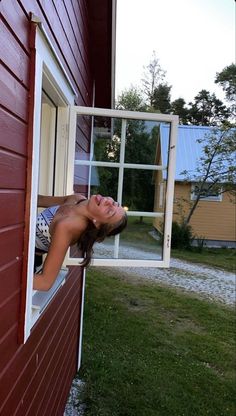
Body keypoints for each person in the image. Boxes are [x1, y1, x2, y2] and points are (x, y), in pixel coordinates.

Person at [34, 193, 127, 291]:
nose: (107, 201)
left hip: (25, 254)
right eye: (114, 202)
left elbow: (44, 283)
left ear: (97, 224)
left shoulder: (69, 226)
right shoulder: (77, 199)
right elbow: (38, 199)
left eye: (109, 211)